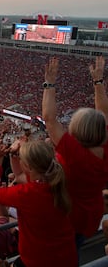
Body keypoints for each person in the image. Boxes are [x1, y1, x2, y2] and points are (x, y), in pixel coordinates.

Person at [42, 56, 108, 248]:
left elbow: (49, 118)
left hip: (67, 215)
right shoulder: (103, 149)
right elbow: (103, 113)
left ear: (76, 130)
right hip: (90, 214)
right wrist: (98, 81)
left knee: (65, 251)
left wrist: (49, 83)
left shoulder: (75, 153)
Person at [0, 141, 76, 267]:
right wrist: (14, 156)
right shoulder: (58, 177)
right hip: (66, 254)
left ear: (29, 167)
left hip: (38, 260)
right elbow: (20, 175)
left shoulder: (26, 194)